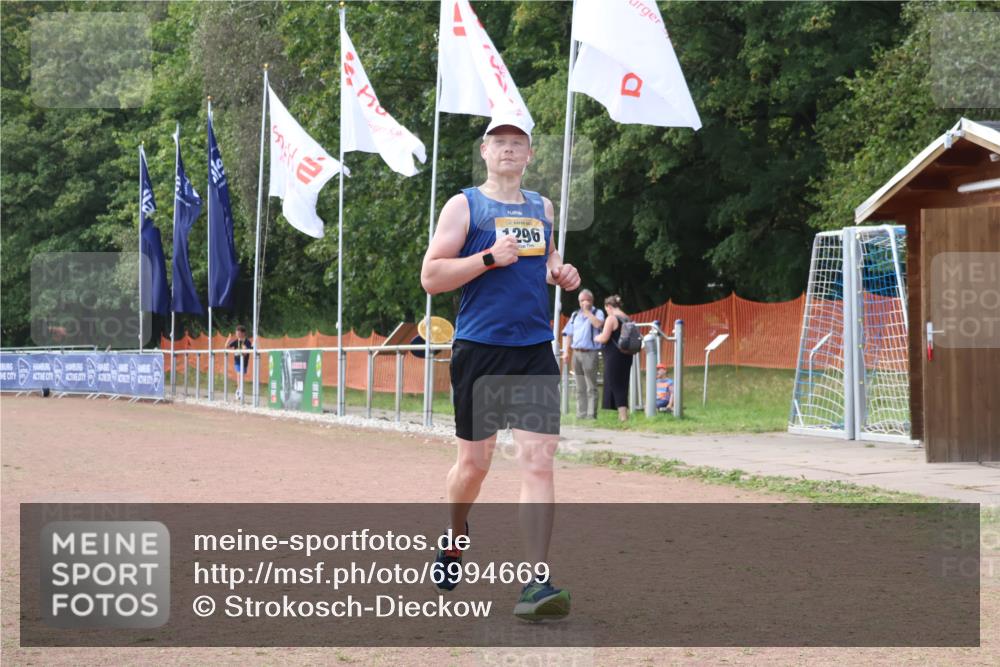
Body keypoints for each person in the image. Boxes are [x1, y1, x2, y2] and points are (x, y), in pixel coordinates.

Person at [420, 113, 580, 622]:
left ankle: (537, 582)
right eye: (499, 142)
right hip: (481, 350)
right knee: (475, 466)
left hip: (533, 349)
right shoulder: (464, 205)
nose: (508, 149)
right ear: (484, 152)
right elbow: (431, 276)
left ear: (530, 154)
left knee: (537, 461)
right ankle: (454, 533)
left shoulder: (542, 207)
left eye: (517, 143)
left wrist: (563, 273)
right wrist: (488, 258)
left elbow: (550, 260)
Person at [560, 289, 604, 420]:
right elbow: (568, 334)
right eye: (581, 301)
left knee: (591, 385)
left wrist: (587, 312)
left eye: (586, 300)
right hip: (576, 353)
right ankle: (581, 413)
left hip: (590, 353)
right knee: (580, 386)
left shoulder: (597, 312)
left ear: (591, 301)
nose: (583, 303)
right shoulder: (575, 315)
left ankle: (591, 414)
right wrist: (566, 352)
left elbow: (598, 324)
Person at [594, 295, 633, 422]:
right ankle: (623, 415)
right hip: (627, 355)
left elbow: (605, 337)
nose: (607, 312)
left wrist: (596, 338)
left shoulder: (611, 318)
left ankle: (623, 417)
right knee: (623, 383)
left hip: (614, 356)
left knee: (616, 384)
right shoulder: (627, 318)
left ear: (609, 307)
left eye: (606, 310)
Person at [225, 325, 253, 401]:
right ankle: (239, 392)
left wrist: (243, 349)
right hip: (237, 361)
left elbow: (246, 353)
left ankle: (238, 390)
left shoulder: (247, 342)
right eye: (236, 333)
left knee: (241, 377)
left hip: (244, 362)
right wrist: (228, 339)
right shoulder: (236, 341)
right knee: (239, 376)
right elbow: (226, 347)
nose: (237, 335)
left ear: (243, 333)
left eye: (238, 333)